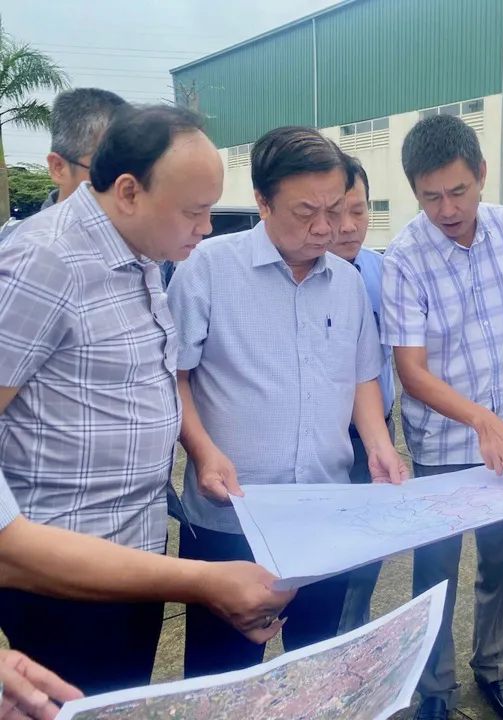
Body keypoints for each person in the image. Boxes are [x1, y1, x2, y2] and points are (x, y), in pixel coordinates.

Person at [0, 104, 292, 694]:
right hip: (63, 575)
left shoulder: (142, 253)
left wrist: (199, 449)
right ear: (130, 192)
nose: (206, 228)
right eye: (194, 211)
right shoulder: (44, 261)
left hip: (136, 553)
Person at [166, 126, 407, 678]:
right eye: (305, 212)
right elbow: (173, 378)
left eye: (336, 209)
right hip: (231, 520)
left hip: (323, 516)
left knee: (316, 667)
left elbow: (361, 378)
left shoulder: (347, 283)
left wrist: (379, 445)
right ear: (263, 201)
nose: (325, 227)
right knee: (222, 680)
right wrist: (201, 451)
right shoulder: (207, 268)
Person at [380, 113, 503, 720]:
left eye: (458, 191)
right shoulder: (404, 258)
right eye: (431, 197)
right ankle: (435, 688)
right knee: (436, 571)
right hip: (443, 445)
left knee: (500, 561)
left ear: (481, 174)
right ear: (413, 190)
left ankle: (493, 665)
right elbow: (412, 371)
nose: (447, 209)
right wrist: (481, 419)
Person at [0, 466, 290, 719]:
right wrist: (205, 582)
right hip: (55, 576)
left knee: (124, 695)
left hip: (142, 546)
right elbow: (8, 549)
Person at [327, 157, 397, 634]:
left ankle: (354, 641)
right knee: (329, 558)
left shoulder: (383, 271)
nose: (349, 226)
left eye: (360, 210)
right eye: (338, 213)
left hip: (375, 434)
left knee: (369, 553)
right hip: (327, 437)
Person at [0, 88, 127, 243]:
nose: (126, 186)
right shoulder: (16, 247)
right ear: (58, 168)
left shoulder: (143, 245)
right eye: (109, 171)